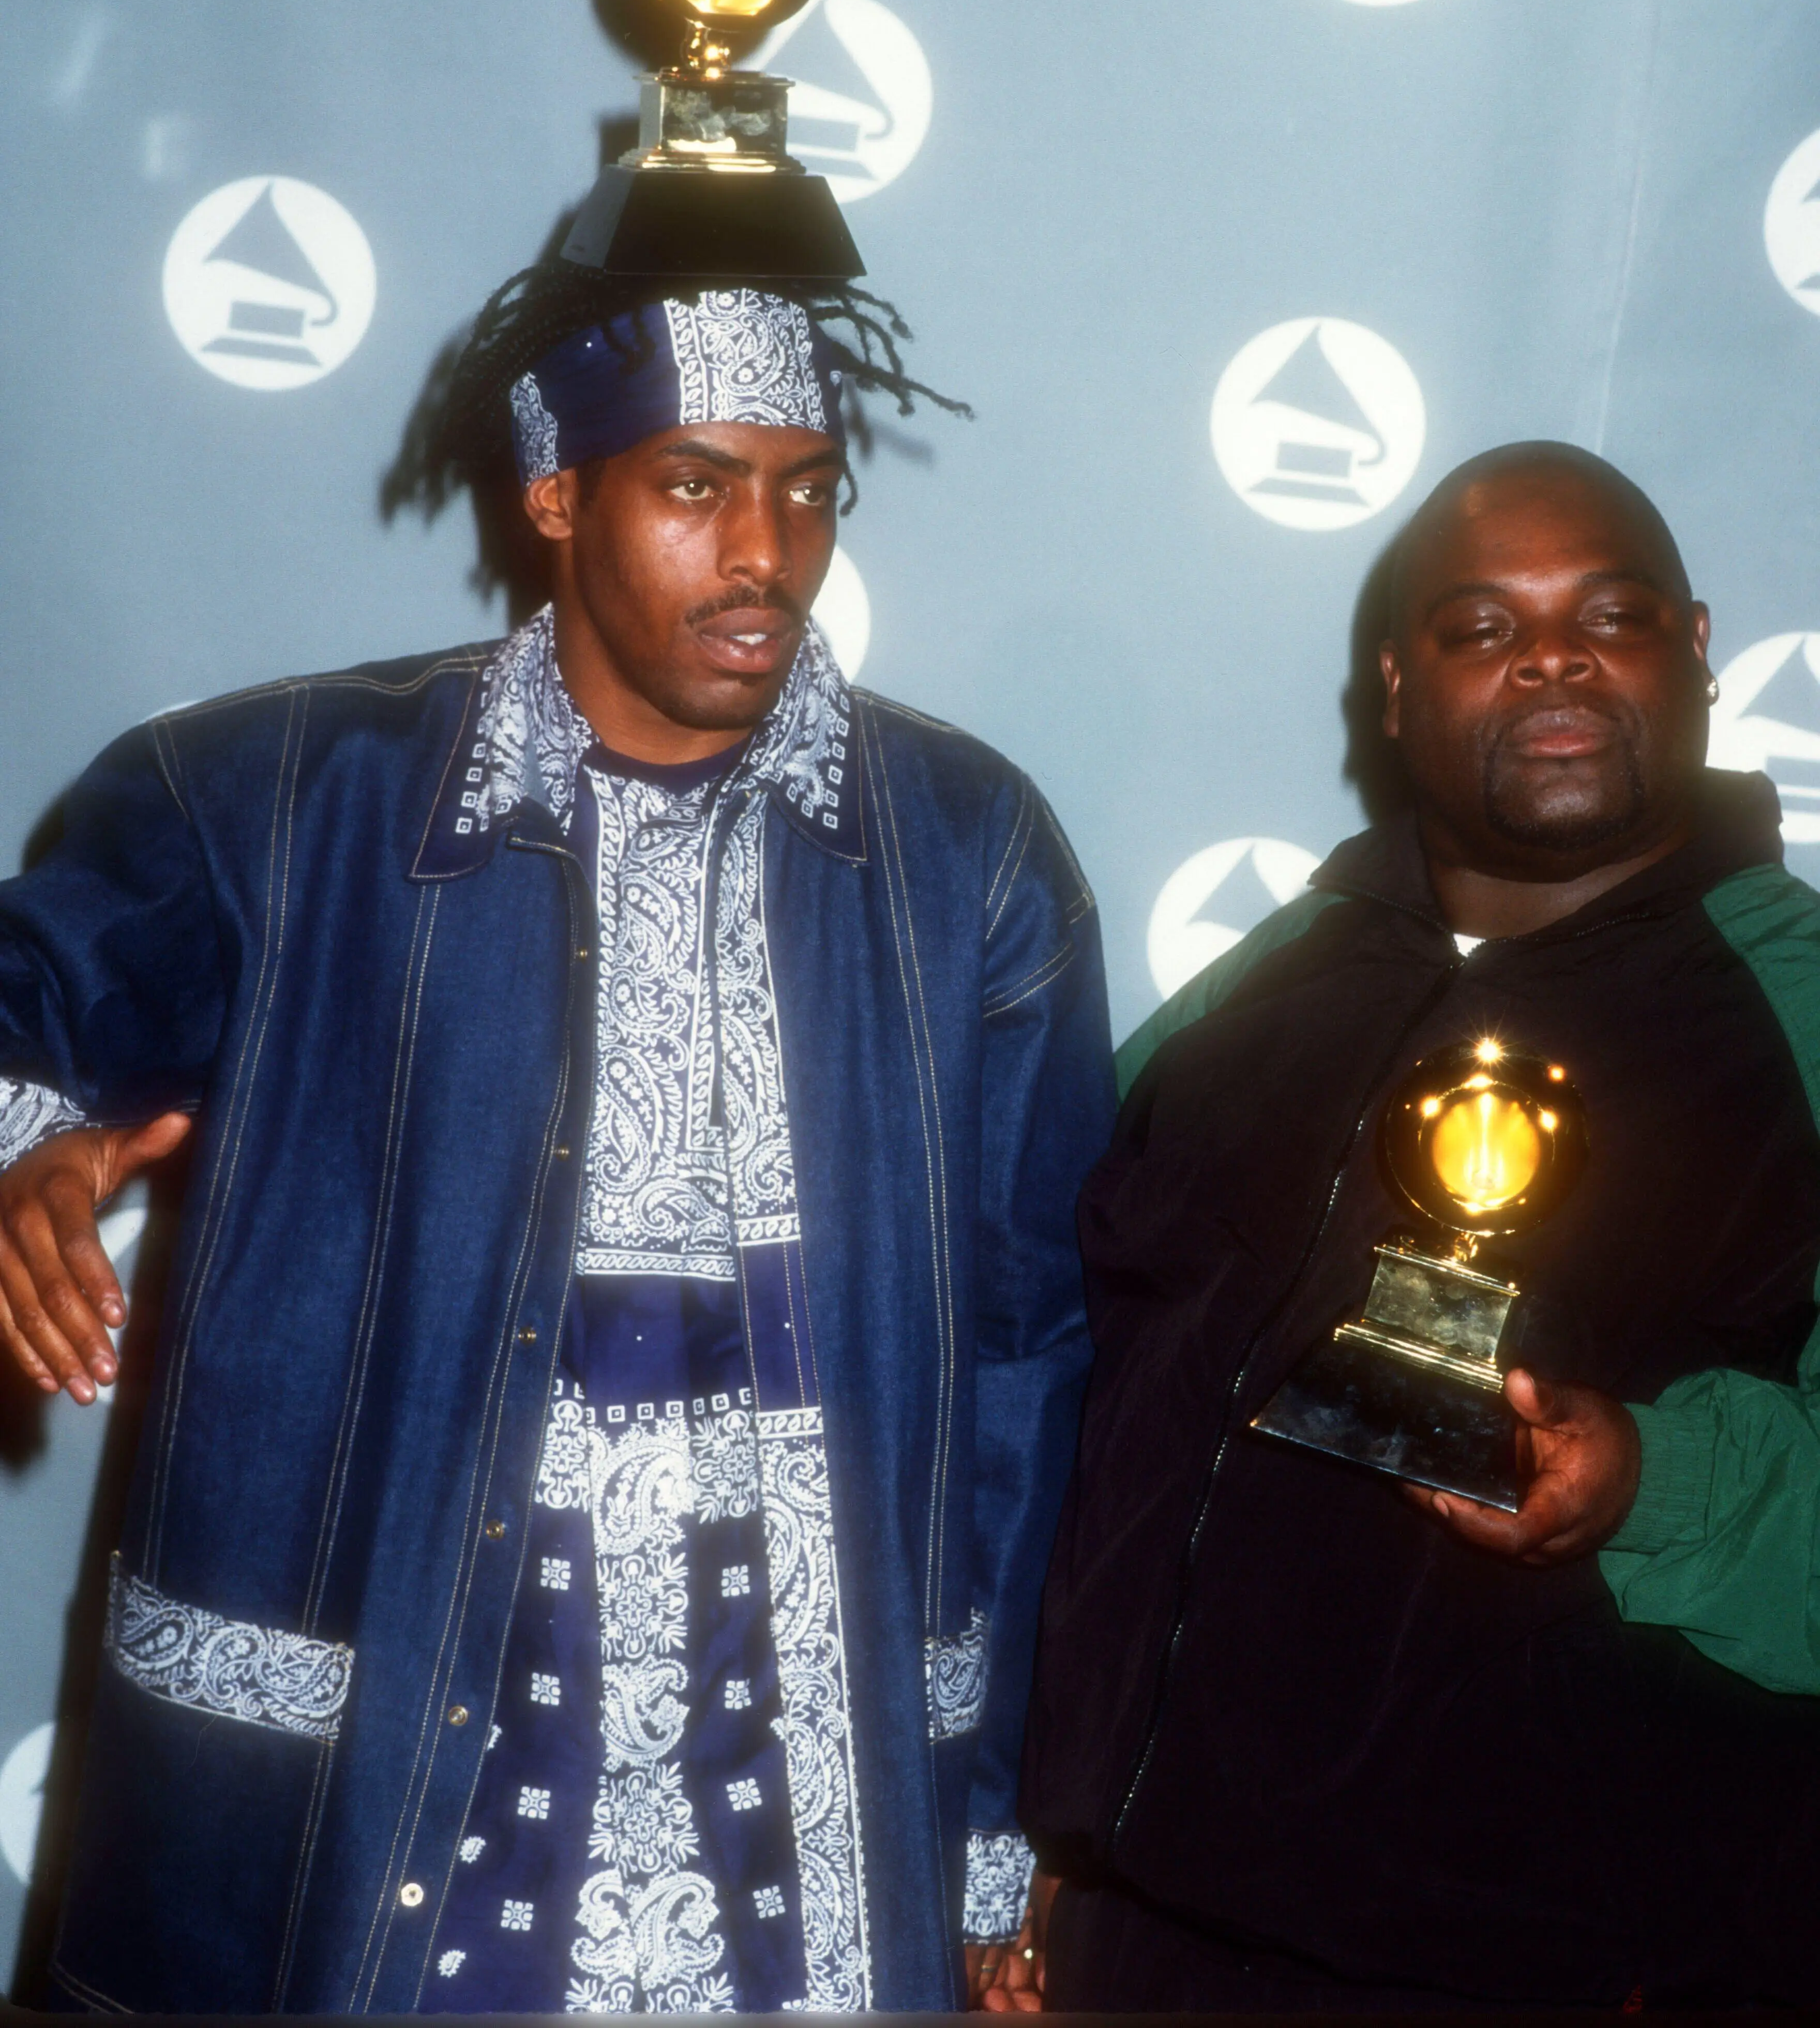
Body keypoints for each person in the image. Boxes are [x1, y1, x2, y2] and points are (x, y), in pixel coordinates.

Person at [0, 269, 1113, 2014]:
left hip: (798, 1746)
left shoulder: (965, 855)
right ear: (555, 498)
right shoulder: (283, 796)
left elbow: (1032, 1362)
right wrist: (27, 1153)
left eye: (807, 486)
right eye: (694, 483)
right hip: (391, 1725)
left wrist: (984, 1826)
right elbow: (30, 1004)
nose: (766, 549)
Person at [1021, 441, 1820, 2012]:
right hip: (1146, 1941)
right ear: (1395, 689)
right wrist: (1045, 1834)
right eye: (1480, 627)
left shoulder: (1795, 1013)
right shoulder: (1263, 985)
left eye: (1610, 611)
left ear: (1695, 648)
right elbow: (1080, 1380)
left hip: (1562, 1961)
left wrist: (1649, 1482)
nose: (1550, 656)